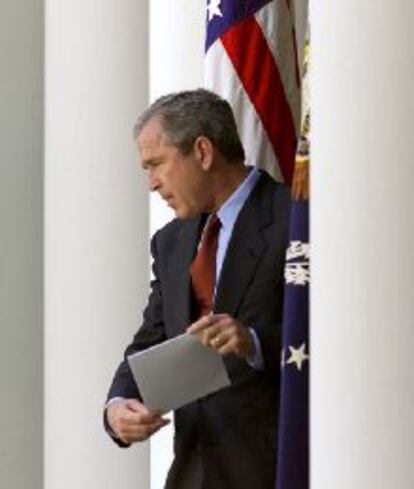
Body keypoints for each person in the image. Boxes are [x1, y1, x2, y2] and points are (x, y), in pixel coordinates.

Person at [104, 89, 290, 489]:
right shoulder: (170, 242)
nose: (151, 184)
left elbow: (338, 344)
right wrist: (118, 408)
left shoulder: (296, 221)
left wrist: (253, 342)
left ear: (203, 152)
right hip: (191, 474)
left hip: (274, 472)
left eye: (156, 164)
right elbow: (150, 342)